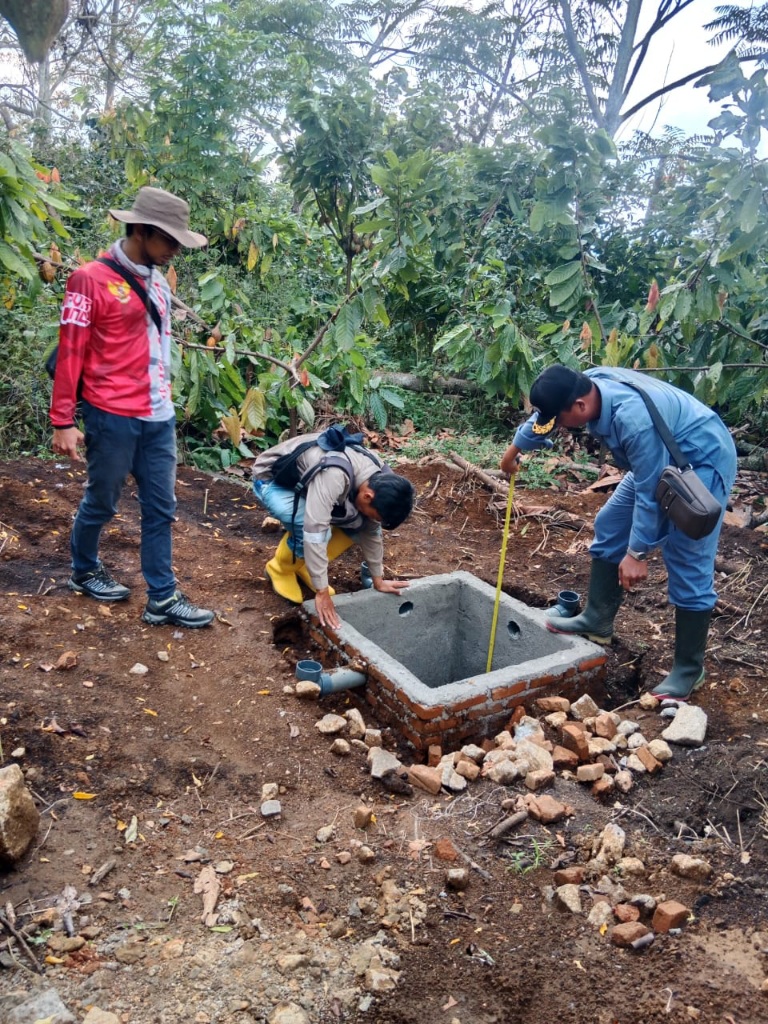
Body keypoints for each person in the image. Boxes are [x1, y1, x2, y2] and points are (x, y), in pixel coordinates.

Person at [500, 364, 737, 702]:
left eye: (561, 418)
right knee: (611, 523)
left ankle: (688, 668)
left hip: (700, 460)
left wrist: (637, 554)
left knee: (687, 556)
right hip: (661, 458)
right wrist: (514, 450)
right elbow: (545, 418)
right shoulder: (585, 383)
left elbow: (650, 489)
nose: (558, 426)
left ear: (580, 407)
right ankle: (597, 619)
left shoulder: (632, 420)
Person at [50, 186, 215, 629]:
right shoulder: (89, 279)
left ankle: (162, 596)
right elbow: (71, 352)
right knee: (102, 501)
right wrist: (62, 420)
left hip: (159, 417)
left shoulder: (156, 280)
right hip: (112, 415)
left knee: (162, 508)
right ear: (141, 230)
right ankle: (84, 570)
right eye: (170, 241)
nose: (176, 250)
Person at [252, 429, 415, 628]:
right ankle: (280, 569)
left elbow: (371, 531)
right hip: (272, 480)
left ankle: (304, 566)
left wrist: (378, 579)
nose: (374, 520)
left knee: (359, 524)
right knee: (311, 527)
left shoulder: (381, 478)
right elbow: (315, 531)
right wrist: (321, 592)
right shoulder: (334, 476)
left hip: (308, 483)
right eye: (376, 515)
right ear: (368, 496)